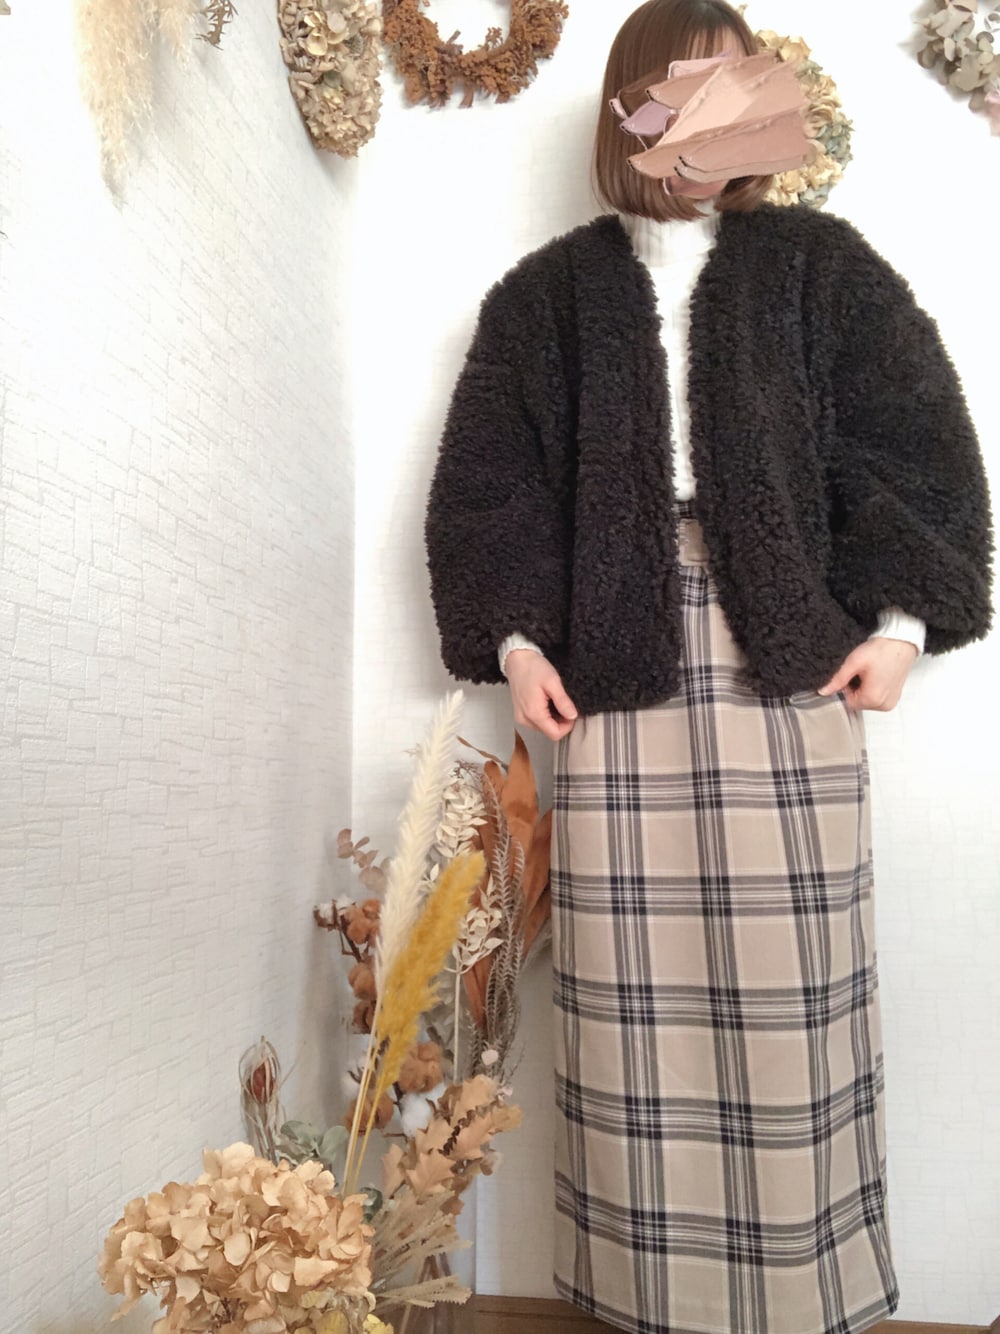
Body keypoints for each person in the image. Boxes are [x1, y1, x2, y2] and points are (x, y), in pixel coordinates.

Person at [424, 2, 994, 1331]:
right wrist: (516, 640)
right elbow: (489, 489)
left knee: (798, 997)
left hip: (787, 658)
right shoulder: (545, 299)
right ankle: (646, 1301)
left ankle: (805, 1298)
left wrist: (902, 627)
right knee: (628, 1007)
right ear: (635, 109)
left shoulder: (821, 271)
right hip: (613, 663)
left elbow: (916, 441)